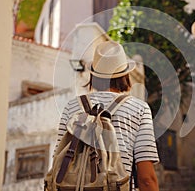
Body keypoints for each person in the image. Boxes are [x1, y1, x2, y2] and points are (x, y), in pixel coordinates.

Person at [55, 40, 159, 191]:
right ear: (125, 75)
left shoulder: (71, 106)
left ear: (93, 75)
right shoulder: (139, 109)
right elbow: (146, 179)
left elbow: (58, 160)